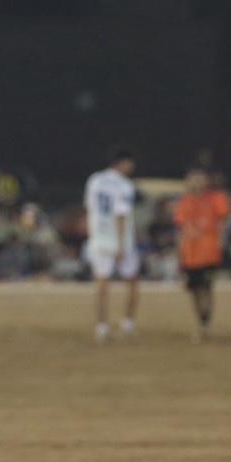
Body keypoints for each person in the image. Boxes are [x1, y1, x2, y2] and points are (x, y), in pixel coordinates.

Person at [83, 146, 139, 342]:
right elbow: (120, 214)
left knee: (101, 283)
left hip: (99, 237)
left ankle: (101, 327)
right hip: (119, 238)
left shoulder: (94, 180)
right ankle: (127, 325)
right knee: (131, 282)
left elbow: (89, 208)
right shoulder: (124, 185)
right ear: (122, 163)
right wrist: (121, 245)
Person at [173, 167, 231, 340]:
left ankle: (205, 323)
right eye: (193, 178)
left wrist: (222, 242)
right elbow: (181, 229)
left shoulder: (216, 198)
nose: (197, 182)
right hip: (190, 253)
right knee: (194, 290)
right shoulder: (184, 201)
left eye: (200, 178)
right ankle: (201, 319)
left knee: (207, 288)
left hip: (209, 252)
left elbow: (224, 220)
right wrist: (179, 253)